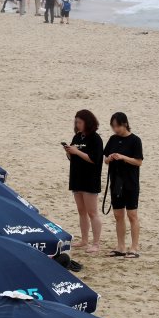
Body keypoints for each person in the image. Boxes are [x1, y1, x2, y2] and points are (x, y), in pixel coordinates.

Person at [103, 112, 143, 258]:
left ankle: (134, 247)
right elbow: (105, 160)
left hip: (130, 182)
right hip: (116, 181)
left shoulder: (135, 140)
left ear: (125, 124)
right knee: (118, 215)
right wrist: (111, 158)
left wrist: (123, 157)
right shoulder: (113, 139)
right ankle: (121, 246)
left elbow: (138, 161)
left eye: (117, 126)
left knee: (132, 214)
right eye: (113, 126)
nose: (115, 129)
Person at [64, 109, 103, 254]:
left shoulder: (95, 139)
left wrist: (77, 152)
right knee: (81, 211)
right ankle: (84, 239)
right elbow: (73, 158)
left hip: (90, 179)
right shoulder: (77, 137)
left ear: (87, 122)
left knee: (92, 212)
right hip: (76, 177)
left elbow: (94, 159)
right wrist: (69, 152)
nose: (77, 124)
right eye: (76, 122)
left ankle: (96, 243)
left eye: (79, 122)